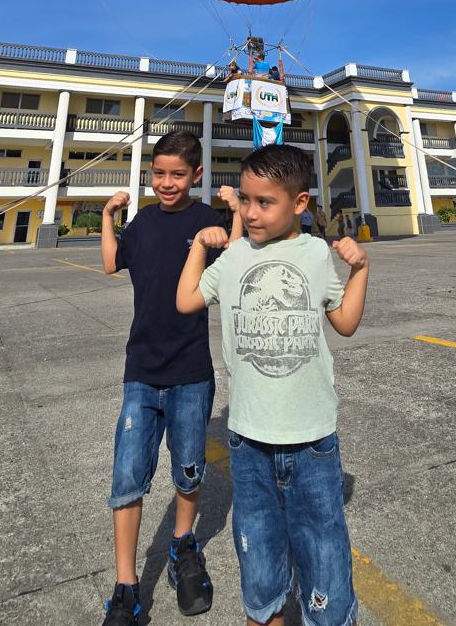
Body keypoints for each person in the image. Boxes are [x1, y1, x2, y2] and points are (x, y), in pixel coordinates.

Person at [177, 144, 370, 626]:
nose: (251, 212)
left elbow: (344, 323)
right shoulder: (236, 254)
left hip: (313, 440)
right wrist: (201, 247)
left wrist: (360, 270)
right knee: (259, 565)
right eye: (245, 200)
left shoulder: (316, 255)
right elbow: (185, 301)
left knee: (323, 552)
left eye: (265, 202)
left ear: (300, 203)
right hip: (248, 440)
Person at [99, 132, 241, 625]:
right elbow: (111, 261)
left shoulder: (207, 220)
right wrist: (108, 217)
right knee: (127, 478)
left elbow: (239, 260)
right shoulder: (142, 221)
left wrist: (235, 211)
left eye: (177, 174)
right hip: (141, 371)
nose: (166, 183)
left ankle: (183, 548)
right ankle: (125, 585)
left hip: (190, 372)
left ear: (196, 176)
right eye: (158, 173)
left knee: (188, 470)